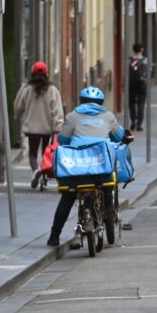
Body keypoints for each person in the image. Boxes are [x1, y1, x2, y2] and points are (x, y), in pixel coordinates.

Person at [47, 87, 131, 247]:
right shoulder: (108, 116)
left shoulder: (72, 117)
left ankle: (54, 236)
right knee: (107, 188)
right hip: (101, 169)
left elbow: (63, 140)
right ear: (101, 103)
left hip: (76, 171)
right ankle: (108, 211)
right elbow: (119, 137)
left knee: (67, 198)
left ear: (81, 101)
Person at [13, 61, 64, 188]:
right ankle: (44, 179)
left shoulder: (27, 89)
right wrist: (58, 128)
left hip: (32, 128)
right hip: (48, 128)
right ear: (46, 74)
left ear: (32, 74)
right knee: (46, 154)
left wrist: (18, 115)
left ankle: (36, 170)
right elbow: (57, 110)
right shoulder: (52, 90)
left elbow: (18, 106)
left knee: (32, 153)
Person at [127, 43, 150, 131]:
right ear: (141, 49)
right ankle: (139, 123)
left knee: (132, 103)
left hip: (132, 83)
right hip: (142, 84)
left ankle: (133, 121)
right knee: (141, 104)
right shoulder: (145, 60)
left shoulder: (130, 60)